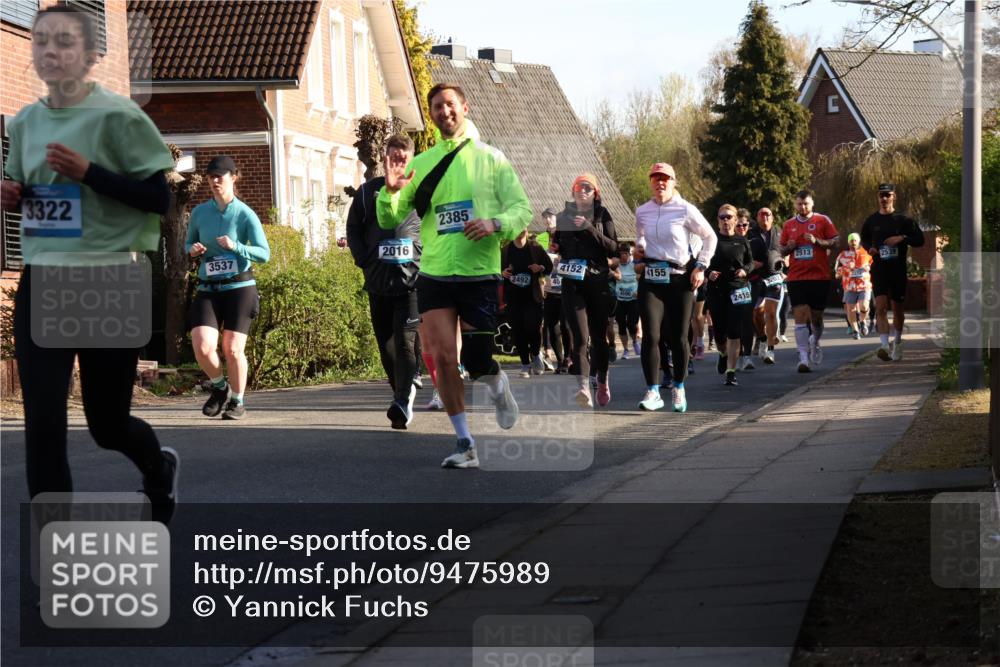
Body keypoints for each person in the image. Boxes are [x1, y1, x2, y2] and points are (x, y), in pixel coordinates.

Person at [1, 5, 178, 521]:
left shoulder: (120, 116)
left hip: (109, 278)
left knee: (106, 423)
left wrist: (90, 172)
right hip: (46, 279)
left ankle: (155, 466)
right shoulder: (26, 122)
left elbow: (158, 199)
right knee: (44, 421)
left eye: (63, 42)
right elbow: (47, 200)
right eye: (41, 42)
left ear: (90, 55)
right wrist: (17, 195)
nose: (50, 51)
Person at [377, 83, 531, 469]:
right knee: (445, 358)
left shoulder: (492, 159)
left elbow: (522, 210)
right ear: (431, 115)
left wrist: (495, 223)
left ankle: (498, 385)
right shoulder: (423, 163)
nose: (443, 111)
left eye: (449, 104)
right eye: (436, 107)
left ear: (464, 107)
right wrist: (390, 192)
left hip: (479, 273)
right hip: (435, 274)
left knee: (478, 360)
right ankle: (465, 443)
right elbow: (390, 218)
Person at [187, 156, 270, 421]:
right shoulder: (200, 212)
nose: (214, 181)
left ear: (234, 177)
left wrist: (237, 247)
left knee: (232, 348)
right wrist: (192, 249)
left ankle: (238, 401)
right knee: (201, 345)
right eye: (210, 176)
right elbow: (186, 244)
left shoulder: (245, 214)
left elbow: (264, 253)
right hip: (209, 287)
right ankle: (220, 388)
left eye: (219, 176)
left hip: (239, 287)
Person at [347, 134, 422, 429]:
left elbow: (434, 229)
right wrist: (362, 258)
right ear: (384, 158)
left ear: (411, 159)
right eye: (392, 157)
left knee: (405, 343)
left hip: (412, 283)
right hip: (378, 281)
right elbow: (353, 229)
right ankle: (402, 392)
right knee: (386, 346)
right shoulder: (368, 193)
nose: (397, 162)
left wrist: (427, 261)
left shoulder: (420, 191)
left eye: (402, 158)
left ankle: (403, 400)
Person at [634, 163, 715, 412]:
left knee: (679, 337)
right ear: (650, 182)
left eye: (665, 179)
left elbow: (710, 236)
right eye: (656, 178)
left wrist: (701, 266)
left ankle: (679, 387)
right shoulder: (642, 211)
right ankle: (653, 391)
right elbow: (640, 237)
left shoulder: (685, 209)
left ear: (673, 182)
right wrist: (639, 249)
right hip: (652, 277)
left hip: (680, 278)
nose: (660, 183)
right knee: (651, 335)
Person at [553, 173, 618, 407]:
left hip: (597, 280)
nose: (582, 190)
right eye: (578, 187)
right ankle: (582, 387)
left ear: (595, 192)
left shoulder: (602, 214)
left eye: (587, 187)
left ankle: (602, 380)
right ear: (573, 191)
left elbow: (613, 248)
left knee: (599, 338)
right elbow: (558, 244)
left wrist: (591, 228)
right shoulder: (563, 216)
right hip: (572, 283)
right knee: (579, 337)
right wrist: (556, 246)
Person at [860, 183, 924, 361]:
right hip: (879, 269)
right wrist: (870, 248)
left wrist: (901, 238)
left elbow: (920, 239)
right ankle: (884, 346)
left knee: (897, 310)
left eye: (887, 195)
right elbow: (864, 239)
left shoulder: (903, 220)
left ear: (894, 196)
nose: (884, 199)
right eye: (881, 195)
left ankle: (897, 342)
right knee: (880, 307)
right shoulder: (872, 221)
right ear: (877, 197)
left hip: (898, 269)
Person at [780, 189, 839, 373]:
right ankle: (803, 358)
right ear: (795, 205)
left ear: (812, 204)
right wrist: (788, 247)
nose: (802, 207)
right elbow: (780, 250)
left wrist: (817, 241)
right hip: (796, 277)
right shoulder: (788, 224)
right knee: (800, 314)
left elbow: (835, 241)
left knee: (816, 317)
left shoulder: (822, 220)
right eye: (799, 204)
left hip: (819, 276)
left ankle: (815, 341)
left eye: (805, 204)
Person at [706, 205, 755, 386]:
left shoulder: (742, 241)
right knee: (719, 333)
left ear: (736, 220)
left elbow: (750, 263)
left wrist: (745, 270)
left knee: (734, 331)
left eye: (729, 217)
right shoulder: (711, 240)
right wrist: (708, 273)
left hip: (738, 288)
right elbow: (701, 262)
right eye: (722, 217)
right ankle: (722, 353)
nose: (726, 220)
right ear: (718, 220)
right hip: (716, 290)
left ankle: (731, 372)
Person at [502, 228, 552, 377]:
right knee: (518, 331)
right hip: (513, 298)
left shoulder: (535, 247)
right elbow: (496, 270)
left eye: (522, 226)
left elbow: (549, 266)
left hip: (532, 297)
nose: (519, 231)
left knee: (533, 328)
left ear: (527, 229)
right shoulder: (505, 250)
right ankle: (525, 364)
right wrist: (502, 272)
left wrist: (540, 268)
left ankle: (536, 354)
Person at [748, 207, 785, 364]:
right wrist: (750, 264)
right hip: (756, 278)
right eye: (761, 214)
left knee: (770, 313)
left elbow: (787, 250)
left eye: (767, 214)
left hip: (774, 277)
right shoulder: (750, 233)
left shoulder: (780, 232)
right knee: (755, 313)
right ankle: (762, 338)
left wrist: (787, 266)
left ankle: (770, 350)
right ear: (757, 217)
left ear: (772, 217)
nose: (765, 217)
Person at [834, 233, 873, 340]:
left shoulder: (866, 253)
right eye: (851, 240)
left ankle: (863, 321)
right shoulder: (842, 255)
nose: (853, 242)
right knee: (850, 309)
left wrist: (867, 268)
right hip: (849, 286)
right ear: (848, 242)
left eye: (855, 240)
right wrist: (846, 268)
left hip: (864, 285)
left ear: (859, 241)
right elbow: (836, 273)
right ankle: (855, 331)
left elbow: (871, 265)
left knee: (864, 306)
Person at [542, 240, 570, 373]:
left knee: (565, 326)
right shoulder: (544, 254)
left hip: (566, 295)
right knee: (552, 328)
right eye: (551, 241)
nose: (553, 244)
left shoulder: (567, 254)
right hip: (550, 295)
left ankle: (568, 358)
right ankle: (560, 360)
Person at [734, 210, 756, 371]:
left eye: (745, 225)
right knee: (732, 321)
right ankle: (733, 353)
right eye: (738, 225)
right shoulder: (725, 240)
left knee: (746, 320)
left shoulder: (753, 240)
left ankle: (746, 355)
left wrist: (747, 269)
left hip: (748, 284)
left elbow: (756, 261)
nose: (741, 227)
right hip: (729, 286)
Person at [611, 242, 640, 360]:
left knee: (632, 324)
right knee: (621, 325)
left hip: (633, 299)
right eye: (622, 254)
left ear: (629, 254)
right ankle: (626, 350)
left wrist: (639, 291)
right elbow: (617, 276)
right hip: (620, 299)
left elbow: (640, 277)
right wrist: (612, 273)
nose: (624, 256)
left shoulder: (634, 265)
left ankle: (634, 342)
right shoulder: (616, 265)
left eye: (626, 254)